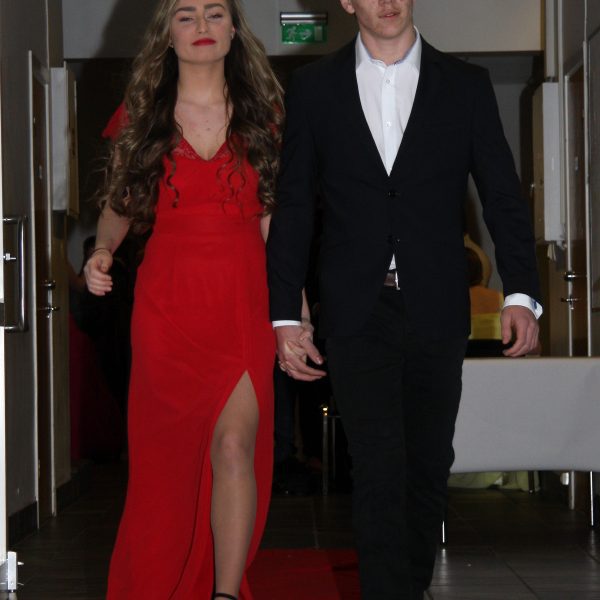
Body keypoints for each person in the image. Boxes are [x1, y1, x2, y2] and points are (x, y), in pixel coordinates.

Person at [266, 1, 542, 598]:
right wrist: (285, 313)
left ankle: (406, 589)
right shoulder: (314, 87)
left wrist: (521, 291)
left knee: (426, 465)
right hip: (355, 309)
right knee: (376, 465)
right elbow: (294, 204)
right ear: (347, 2)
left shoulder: (464, 84)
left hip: (436, 304)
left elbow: (501, 192)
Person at [84, 1, 283, 598]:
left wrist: (291, 312)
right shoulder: (142, 114)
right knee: (166, 469)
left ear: (233, 30)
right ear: (167, 34)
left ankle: (225, 593)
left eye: (214, 14)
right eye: (186, 16)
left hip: (243, 304)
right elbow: (119, 204)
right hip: (167, 311)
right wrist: (102, 251)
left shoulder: (264, 114)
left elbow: (274, 224)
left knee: (235, 446)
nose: (201, 27)